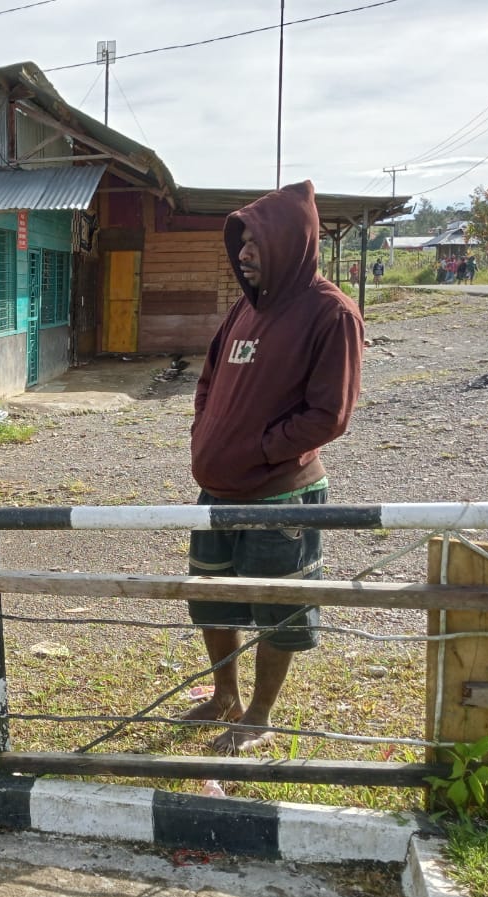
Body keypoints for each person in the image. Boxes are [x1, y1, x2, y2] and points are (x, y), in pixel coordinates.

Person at [184, 181, 363, 754]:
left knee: (276, 609)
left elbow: (328, 415)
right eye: (241, 246)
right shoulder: (243, 309)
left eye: (255, 246)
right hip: (217, 491)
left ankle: (259, 714)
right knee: (213, 597)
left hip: (280, 497)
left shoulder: (329, 313)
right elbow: (208, 380)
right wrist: (205, 436)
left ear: (289, 244)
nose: (243, 256)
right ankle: (225, 697)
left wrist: (258, 449)